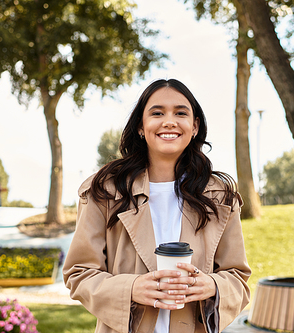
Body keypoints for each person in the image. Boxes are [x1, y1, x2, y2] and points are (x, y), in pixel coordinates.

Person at [63, 79, 251, 333]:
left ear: (194, 126)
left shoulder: (220, 196)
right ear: (141, 126)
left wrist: (213, 286)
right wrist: (131, 289)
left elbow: (237, 277)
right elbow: (79, 273)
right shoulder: (104, 191)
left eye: (181, 113)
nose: (169, 121)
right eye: (157, 113)